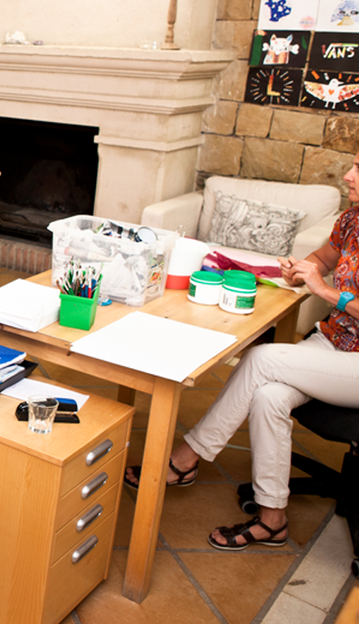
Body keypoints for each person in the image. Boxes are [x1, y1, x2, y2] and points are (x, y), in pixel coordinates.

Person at [124, 152, 359, 551]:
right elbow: (324, 258)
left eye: (358, 168)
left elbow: (330, 289)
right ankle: (272, 520)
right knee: (268, 396)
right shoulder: (352, 219)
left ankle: (186, 458)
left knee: (261, 358)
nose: (348, 176)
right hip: (331, 344)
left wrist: (326, 292)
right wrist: (302, 269)